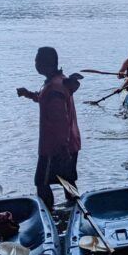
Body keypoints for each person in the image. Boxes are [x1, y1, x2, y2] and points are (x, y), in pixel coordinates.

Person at [16, 47, 82, 210]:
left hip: (56, 147)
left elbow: (61, 120)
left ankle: (48, 215)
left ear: (46, 64)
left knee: (42, 182)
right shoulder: (59, 81)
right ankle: (76, 208)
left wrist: (62, 148)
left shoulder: (55, 87)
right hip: (70, 143)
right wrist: (29, 94)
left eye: (37, 61)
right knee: (66, 180)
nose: (35, 64)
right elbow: (45, 99)